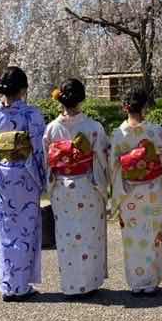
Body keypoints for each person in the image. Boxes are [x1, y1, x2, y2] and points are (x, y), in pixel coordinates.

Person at [0, 66, 46, 302]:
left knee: (6, 231)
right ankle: (20, 286)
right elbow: (39, 150)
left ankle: (8, 284)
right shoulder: (31, 115)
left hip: (1, 175)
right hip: (25, 176)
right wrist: (43, 177)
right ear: (23, 89)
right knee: (25, 231)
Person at [43, 79, 110, 298]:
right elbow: (102, 158)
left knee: (66, 236)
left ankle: (71, 285)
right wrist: (105, 183)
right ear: (82, 98)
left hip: (62, 187)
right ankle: (89, 283)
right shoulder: (93, 127)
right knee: (89, 235)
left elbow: (47, 161)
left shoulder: (52, 129)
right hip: (87, 185)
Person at [110, 87, 162, 296]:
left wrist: (117, 194)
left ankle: (136, 282)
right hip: (152, 190)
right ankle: (151, 281)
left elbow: (114, 168)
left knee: (132, 237)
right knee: (152, 234)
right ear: (144, 107)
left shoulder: (118, 134)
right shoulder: (153, 131)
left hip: (129, 193)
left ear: (124, 107)